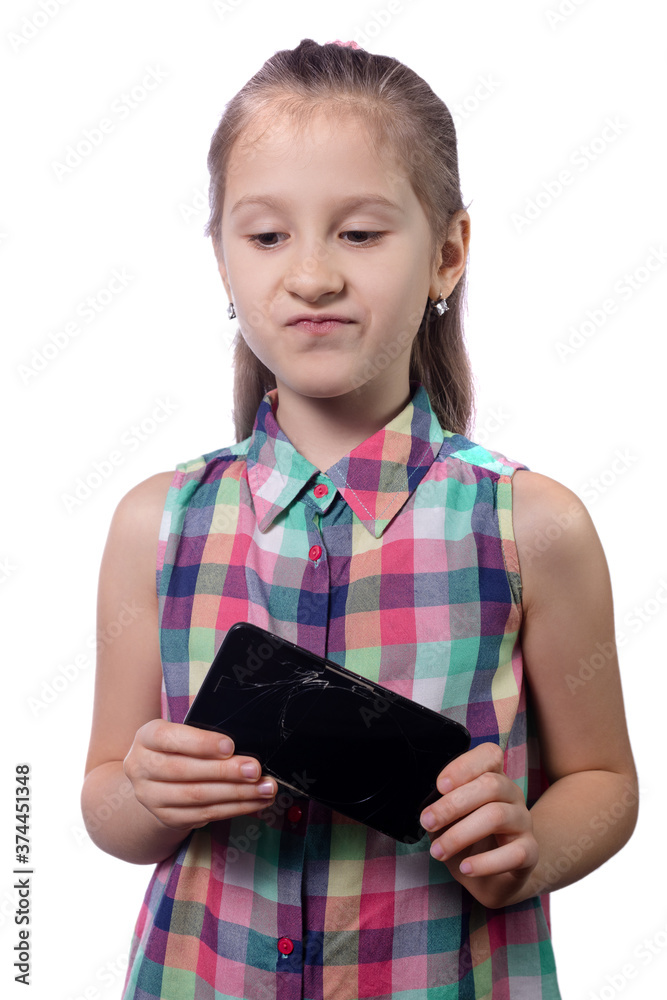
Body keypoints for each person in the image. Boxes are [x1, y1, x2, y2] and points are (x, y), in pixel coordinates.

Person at [81, 38, 638, 1000]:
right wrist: (145, 793)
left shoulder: (530, 525)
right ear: (221, 260)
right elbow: (105, 798)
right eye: (266, 236)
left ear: (447, 254)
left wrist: (530, 847)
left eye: (359, 234)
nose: (311, 275)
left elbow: (605, 783)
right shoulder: (155, 524)